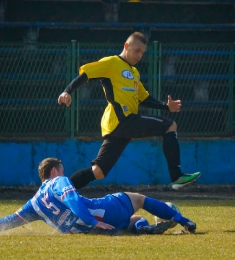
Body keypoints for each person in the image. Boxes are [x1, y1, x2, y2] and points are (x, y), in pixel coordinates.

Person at [57, 31, 201, 190]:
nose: (140, 55)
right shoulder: (111, 62)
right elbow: (86, 74)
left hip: (119, 127)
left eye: (143, 53)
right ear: (126, 46)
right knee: (170, 125)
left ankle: (60, 191)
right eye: (137, 50)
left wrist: (166, 106)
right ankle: (177, 176)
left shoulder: (134, 72)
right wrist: (67, 91)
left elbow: (144, 98)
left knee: (98, 172)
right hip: (123, 120)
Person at [0, 158, 196, 235]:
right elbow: (72, 201)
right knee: (138, 199)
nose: (64, 174)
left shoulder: (33, 204)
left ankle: (142, 228)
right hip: (98, 216)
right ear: (54, 171)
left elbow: (9, 222)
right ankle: (183, 221)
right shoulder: (58, 181)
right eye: (62, 170)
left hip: (84, 228)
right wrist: (94, 221)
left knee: (136, 220)